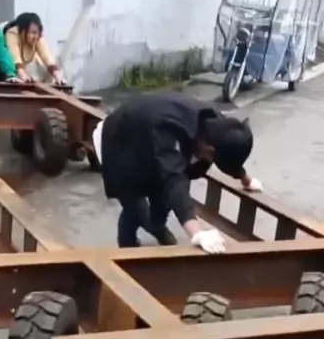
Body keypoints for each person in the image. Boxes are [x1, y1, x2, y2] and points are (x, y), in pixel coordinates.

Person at [92, 92, 262, 254]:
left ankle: (157, 227)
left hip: (149, 137)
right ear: (210, 151)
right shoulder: (167, 131)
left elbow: (228, 158)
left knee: (162, 199)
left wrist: (246, 179)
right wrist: (196, 233)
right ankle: (127, 248)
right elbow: (174, 179)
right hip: (120, 140)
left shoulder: (218, 126)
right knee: (134, 204)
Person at [1, 13, 65, 84]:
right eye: (33, 32)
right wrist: (26, 79)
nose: (35, 36)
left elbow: (47, 57)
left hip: (28, 69)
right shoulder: (12, 34)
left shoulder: (37, 37)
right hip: (12, 70)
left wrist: (58, 77)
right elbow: (16, 60)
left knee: (50, 72)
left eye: (37, 33)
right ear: (23, 31)